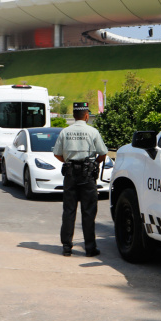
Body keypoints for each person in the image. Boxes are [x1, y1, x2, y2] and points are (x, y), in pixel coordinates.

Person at [53, 102, 108, 257]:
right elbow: (103, 153)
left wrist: (69, 162)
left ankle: (66, 248)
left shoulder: (65, 132)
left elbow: (57, 154)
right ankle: (90, 248)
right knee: (89, 211)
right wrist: (93, 164)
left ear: (73, 115)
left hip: (70, 175)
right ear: (86, 115)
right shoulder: (92, 131)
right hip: (87, 175)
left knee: (69, 211)